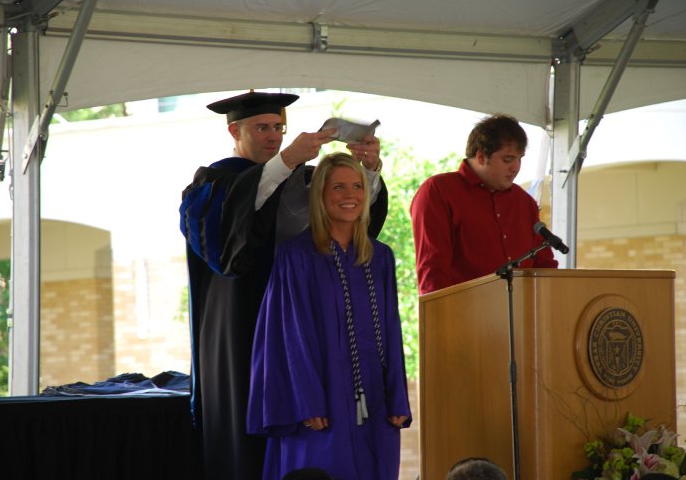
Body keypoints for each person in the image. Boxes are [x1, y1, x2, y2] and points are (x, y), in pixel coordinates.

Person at [179, 91, 388, 480]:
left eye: (279, 128)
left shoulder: (305, 180)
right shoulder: (211, 185)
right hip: (244, 325)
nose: (273, 136)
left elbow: (350, 225)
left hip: (305, 330)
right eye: (262, 128)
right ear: (234, 131)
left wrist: (368, 169)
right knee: (249, 436)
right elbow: (228, 252)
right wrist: (288, 159)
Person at [247, 152, 411, 480]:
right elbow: (291, 337)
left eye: (356, 186)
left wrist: (397, 397)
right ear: (320, 196)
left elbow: (392, 330)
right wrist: (308, 402)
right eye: (338, 187)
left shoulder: (380, 256)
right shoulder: (297, 256)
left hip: (375, 400)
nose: (350, 195)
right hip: (323, 403)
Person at [410, 113, 558, 294]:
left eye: (520, 159)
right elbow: (433, 271)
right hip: (463, 315)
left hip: (522, 315)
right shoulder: (439, 192)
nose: (516, 167)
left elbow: (545, 266)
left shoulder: (524, 202)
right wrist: (442, 318)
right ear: (481, 156)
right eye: (508, 159)